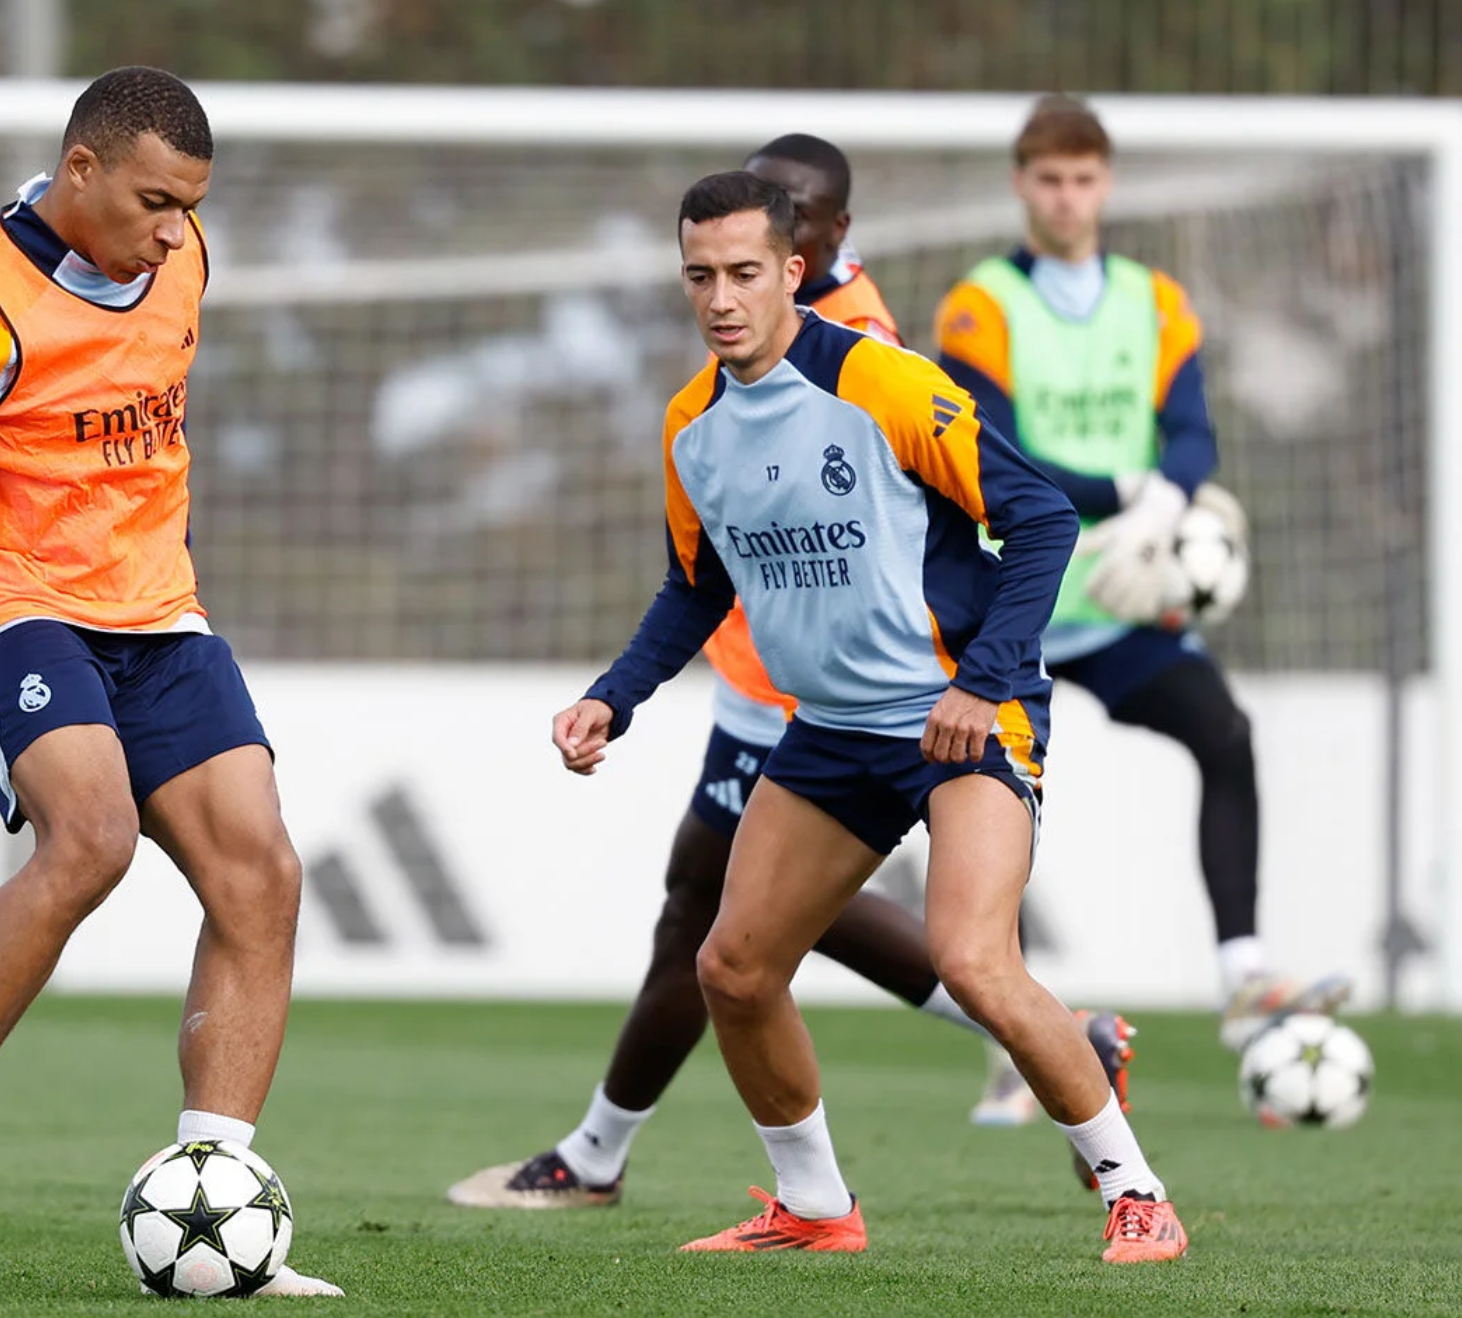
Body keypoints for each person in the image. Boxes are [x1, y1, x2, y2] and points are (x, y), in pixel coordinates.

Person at [447, 136, 1129, 1214]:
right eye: (700, 275)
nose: (721, 296)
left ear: (804, 260)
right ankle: (800, 1206)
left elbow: (1038, 516)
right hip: (821, 719)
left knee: (964, 957)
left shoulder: (878, 372)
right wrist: (611, 698)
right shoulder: (692, 423)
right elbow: (696, 584)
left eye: (747, 270)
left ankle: (1133, 1186)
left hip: (947, 712)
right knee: (725, 952)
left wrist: (982, 682)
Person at [0, 66, 338, 1297]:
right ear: (83, 170)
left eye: (191, 208)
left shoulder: (184, 256)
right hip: (11, 608)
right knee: (93, 837)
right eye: (156, 201)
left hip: (157, 611)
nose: (175, 231)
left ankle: (218, 1204)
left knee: (261, 872)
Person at [934, 95, 1348, 1051]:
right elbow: (997, 448)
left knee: (1225, 733)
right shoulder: (979, 304)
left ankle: (1244, 973)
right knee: (985, 795)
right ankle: (1018, 1026)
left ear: (1106, 184)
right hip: (1016, 604)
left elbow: (1195, 429)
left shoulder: (1156, 300)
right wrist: (1130, 490)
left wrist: (1167, 502)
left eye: (1084, 179)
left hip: (1124, 602)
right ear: (1020, 184)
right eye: (1050, 179)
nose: (1068, 198)